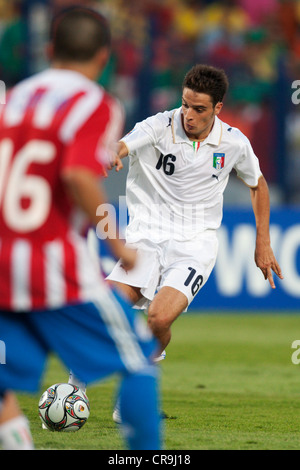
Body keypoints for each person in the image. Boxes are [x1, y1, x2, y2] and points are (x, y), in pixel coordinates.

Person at [0, 7, 161, 451]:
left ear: (49, 50)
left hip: (2, 259)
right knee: (138, 361)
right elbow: (76, 175)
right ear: (104, 56)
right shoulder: (96, 103)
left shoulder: (15, 98)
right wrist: (119, 247)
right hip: (53, 262)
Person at [107, 63, 283, 360]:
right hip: (145, 238)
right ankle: (74, 390)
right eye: (185, 104)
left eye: (199, 109)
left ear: (218, 108)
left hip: (194, 245)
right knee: (107, 310)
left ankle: (139, 381)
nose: (188, 115)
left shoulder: (234, 143)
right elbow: (122, 145)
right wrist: (112, 154)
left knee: (159, 319)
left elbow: (258, 184)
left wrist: (263, 242)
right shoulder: (157, 126)